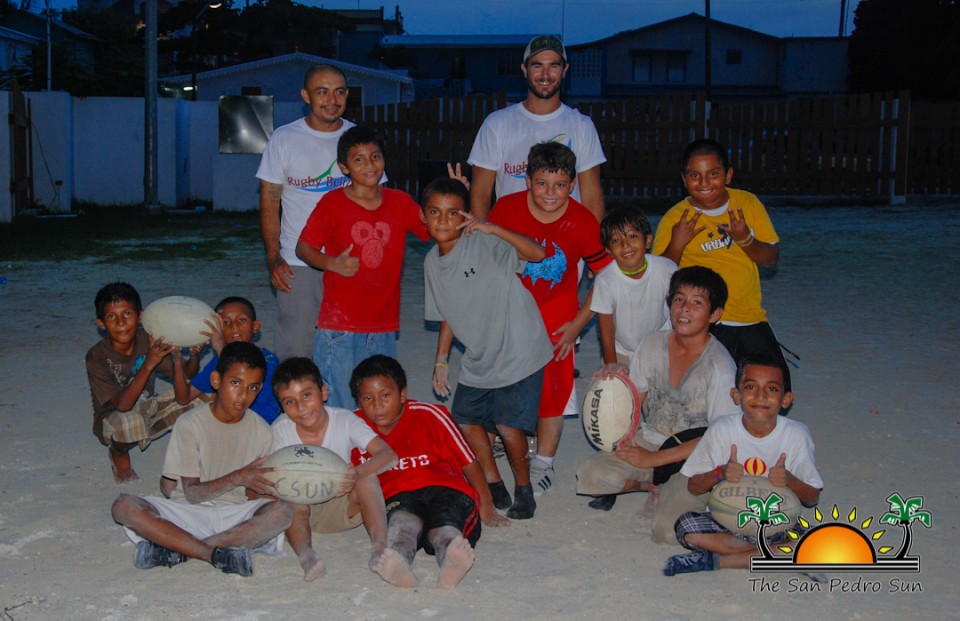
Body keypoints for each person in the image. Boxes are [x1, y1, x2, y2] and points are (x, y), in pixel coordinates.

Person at [421, 177, 553, 519]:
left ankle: (524, 490)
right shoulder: (431, 263)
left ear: (465, 217)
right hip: (480, 356)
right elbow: (447, 313)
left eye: (453, 214)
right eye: (435, 212)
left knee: (508, 426)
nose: (443, 221)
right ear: (423, 216)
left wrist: (493, 229)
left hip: (518, 346)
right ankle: (495, 483)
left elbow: (537, 254)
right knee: (464, 419)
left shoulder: (481, 241)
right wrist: (440, 362)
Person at [575, 266, 740, 538]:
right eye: (679, 299)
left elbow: (718, 438)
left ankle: (685, 488)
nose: (684, 308)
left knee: (666, 532)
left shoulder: (720, 367)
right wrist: (616, 385)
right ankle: (654, 485)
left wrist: (654, 458)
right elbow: (636, 399)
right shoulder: (652, 343)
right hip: (652, 439)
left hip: (695, 454)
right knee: (591, 477)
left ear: (715, 314)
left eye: (697, 302)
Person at [487, 142, 613, 496]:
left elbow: (607, 278)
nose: (550, 193)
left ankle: (544, 458)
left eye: (559, 185)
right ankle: (505, 441)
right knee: (501, 384)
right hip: (511, 313)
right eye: (541, 183)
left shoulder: (583, 220)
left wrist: (578, 323)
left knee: (553, 393)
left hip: (558, 318)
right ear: (526, 180)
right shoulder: (506, 209)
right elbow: (483, 260)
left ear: (572, 184)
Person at [110, 342, 293, 577]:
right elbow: (193, 494)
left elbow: (252, 497)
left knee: (282, 512)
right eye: (235, 383)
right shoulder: (190, 424)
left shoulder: (263, 432)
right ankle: (213, 553)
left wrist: (262, 489)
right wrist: (240, 476)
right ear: (216, 381)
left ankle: (179, 549)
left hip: (233, 515)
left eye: (253, 387)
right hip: (189, 510)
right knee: (124, 506)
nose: (244, 395)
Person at [296, 126, 429, 408]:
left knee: (378, 400)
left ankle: (370, 452)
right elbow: (303, 248)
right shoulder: (332, 203)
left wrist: (453, 198)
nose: (369, 165)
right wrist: (331, 263)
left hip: (382, 325)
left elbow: (435, 228)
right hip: (339, 326)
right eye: (359, 159)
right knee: (338, 401)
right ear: (344, 167)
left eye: (375, 156)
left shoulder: (400, 202)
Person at [350, 355, 508, 589]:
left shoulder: (431, 414)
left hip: (447, 489)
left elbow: (469, 461)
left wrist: (485, 505)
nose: (377, 405)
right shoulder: (353, 427)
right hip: (398, 495)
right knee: (402, 525)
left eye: (386, 395)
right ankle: (399, 562)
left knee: (445, 527)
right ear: (358, 401)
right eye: (367, 398)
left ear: (402, 394)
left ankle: (451, 561)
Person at [664, 353, 822, 575]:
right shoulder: (722, 429)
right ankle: (775, 556)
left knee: (817, 540)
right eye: (750, 387)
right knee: (687, 528)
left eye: (772, 389)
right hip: (728, 520)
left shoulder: (797, 435)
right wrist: (720, 473)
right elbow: (694, 486)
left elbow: (812, 498)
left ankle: (717, 561)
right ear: (736, 395)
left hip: (776, 525)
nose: (761, 396)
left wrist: (789, 480)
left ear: (786, 399)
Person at [653, 138, 791, 391]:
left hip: (748, 317)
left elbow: (771, 258)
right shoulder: (675, 217)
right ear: (684, 179)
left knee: (774, 386)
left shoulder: (747, 204)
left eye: (713, 174)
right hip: (704, 324)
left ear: (728, 175)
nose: (704, 183)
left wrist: (744, 239)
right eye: (695, 175)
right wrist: (678, 242)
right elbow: (659, 273)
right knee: (705, 391)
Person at [257, 63, 356, 360]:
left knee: (347, 349)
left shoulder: (357, 138)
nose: (332, 99)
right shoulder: (284, 139)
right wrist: (274, 257)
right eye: (322, 92)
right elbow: (269, 202)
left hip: (348, 260)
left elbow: (379, 199)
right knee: (297, 351)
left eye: (339, 92)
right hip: (298, 261)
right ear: (306, 96)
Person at [270, 357, 399, 583]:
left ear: (324, 392)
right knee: (287, 499)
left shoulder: (345, 419)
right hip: (302, 511)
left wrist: (355, 475)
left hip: (341, 505)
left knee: (367, 479)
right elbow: (269, 475)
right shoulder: (280, 429)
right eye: (289, 402)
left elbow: (388, 454)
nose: (301, 407)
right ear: (281, 406)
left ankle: (380, 548)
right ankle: (306, 556)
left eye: (307, 395)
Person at [463, 35, 606, 222]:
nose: (545, 75)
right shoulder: (496, 124)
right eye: (537, 65)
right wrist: (485, 242)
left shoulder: (582, 126)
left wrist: (590, 247)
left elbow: (592, 198)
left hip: (565, 243)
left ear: (565, 70)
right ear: (524, 69)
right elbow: (480, 193)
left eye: (554, 66)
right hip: (509, 243)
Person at [85, 282, 204, 483]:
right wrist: (150, 362)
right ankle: (118, 453)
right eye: (112, 317)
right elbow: (123, 406)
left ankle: (197, 457)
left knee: (204, 396)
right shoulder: (96, 356)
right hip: (113, 419)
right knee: (130, 421)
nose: (121, 322)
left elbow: (185, 375)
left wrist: (192, 357)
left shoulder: (148, 339)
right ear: (101, 324)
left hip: (148, 408)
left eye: (127, 314)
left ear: (140, 317)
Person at [590, 206, 677, 376]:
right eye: (616, 241)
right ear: (608, 250)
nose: (626, 245)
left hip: (660, 346)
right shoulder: (605, 280)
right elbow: (606, 332)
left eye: (632, 236)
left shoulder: (666, 269)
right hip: (622, 351)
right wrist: (612, 366)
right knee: (613, 394)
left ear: (648, 241)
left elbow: (679, 313)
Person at [184, 296, 281, 425]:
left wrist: (220, 350)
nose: (234, 327)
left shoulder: (267, 362)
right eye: (226, 323)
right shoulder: (220, 359)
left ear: (255, 326)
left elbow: (252, 409)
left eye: (242, 320)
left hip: (258, 427)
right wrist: (183, 357)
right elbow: (187, 395)